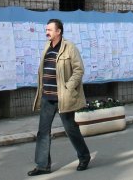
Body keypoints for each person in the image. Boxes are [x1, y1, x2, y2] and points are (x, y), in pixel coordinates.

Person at [29, 19, 90, 176]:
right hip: (47, 97)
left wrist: (68, 87)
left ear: (59, 31)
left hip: (64, 97)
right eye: (46, 29)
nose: (47, 32)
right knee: (43, 132)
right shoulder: (47, 47)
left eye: (50, 29)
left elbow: (79, 70)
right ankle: (42, 166)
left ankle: (84, 157)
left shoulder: (69, 48)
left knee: (71, 129)